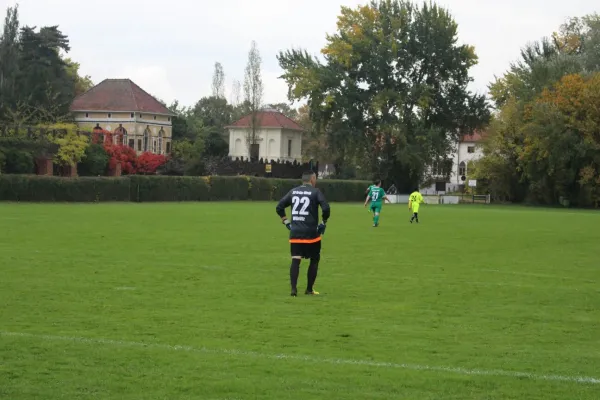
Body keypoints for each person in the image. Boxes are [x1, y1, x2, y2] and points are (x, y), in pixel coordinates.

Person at [276, 171, 330, 297]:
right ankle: (309, 289)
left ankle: (293, 290)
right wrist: (323, 222)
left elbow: (279, 207)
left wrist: (286, 221)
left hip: (295, 233)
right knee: (314, 259)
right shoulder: (316, 192)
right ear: (312, 179)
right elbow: (326, 208)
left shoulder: (293, 191)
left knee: (295, 260)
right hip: (311, 233)